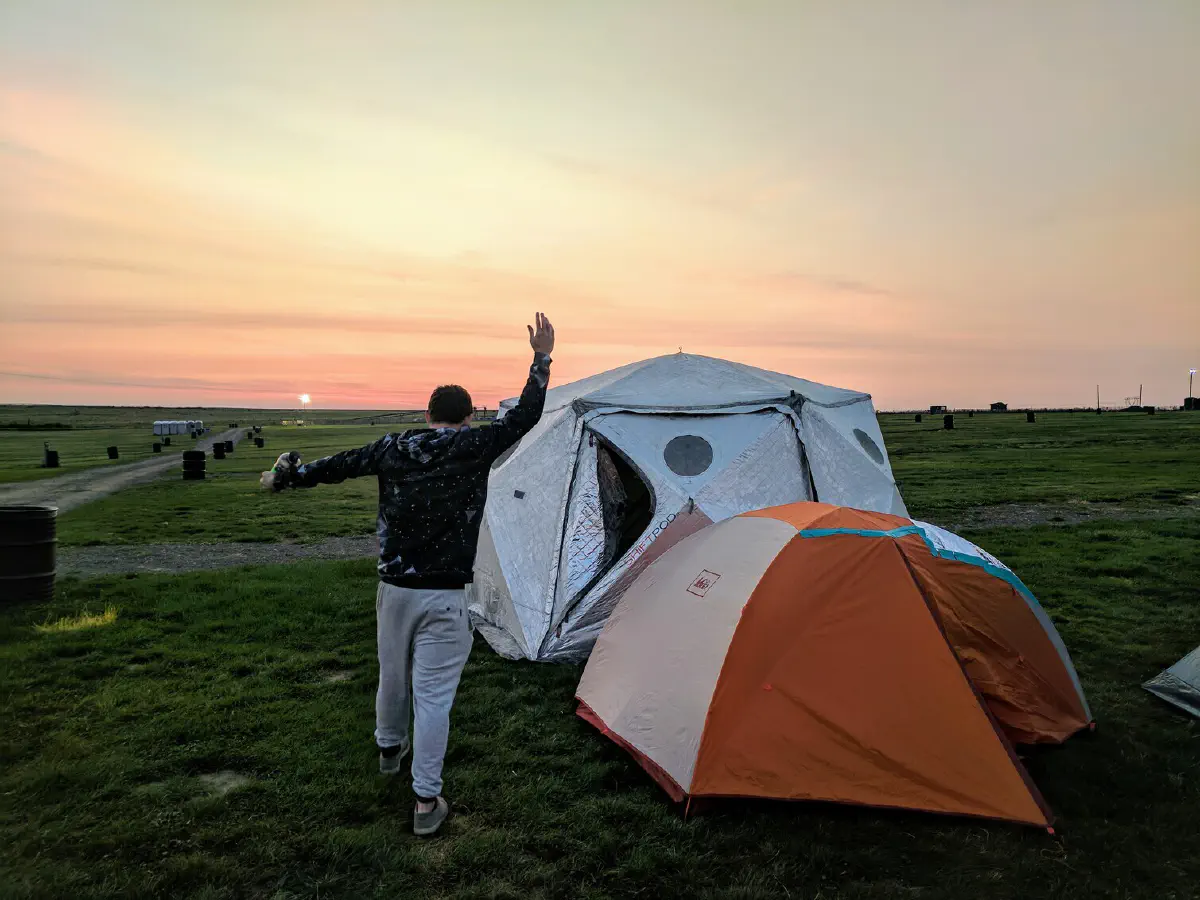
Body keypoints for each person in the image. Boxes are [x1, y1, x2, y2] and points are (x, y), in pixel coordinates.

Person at [260, 313, 555, 836]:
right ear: (467, 419)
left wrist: (288, 477)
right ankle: (425, 802)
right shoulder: (473, 447)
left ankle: (388, 753)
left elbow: (335, 466)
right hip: (445, 595)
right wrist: (541, 358)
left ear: (428, 413)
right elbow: (525, 416)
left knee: (391, 675)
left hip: (393, 590)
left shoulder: (394, 447)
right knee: (434, 696)